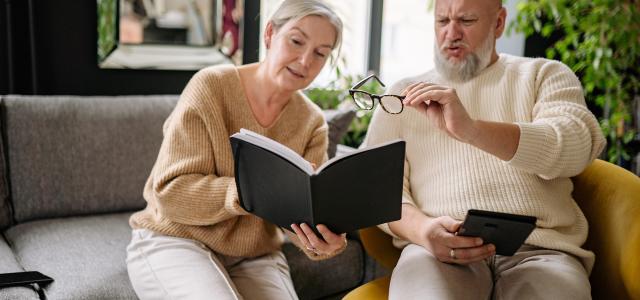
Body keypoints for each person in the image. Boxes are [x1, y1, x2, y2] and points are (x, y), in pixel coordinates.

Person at [361, 0, 606, 299]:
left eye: (466, 20)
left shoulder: (544, 74)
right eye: (442, 21)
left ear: (499, 23)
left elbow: (576, 147)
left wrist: (472, 130)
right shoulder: (401, 95)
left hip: (540, 252)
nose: (451, 33)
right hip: (436, 250)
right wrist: (422, 230)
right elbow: (374, 187)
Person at [126, 1, 346, 299]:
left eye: (321, 53)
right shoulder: (212, 87)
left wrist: (321, 242)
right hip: (175, 237)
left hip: (253, 255)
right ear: (270, 34)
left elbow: (301, 214)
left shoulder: (312, 122)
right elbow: (170, 194)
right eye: (296, 41)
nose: (306, 61)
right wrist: (249, 192)